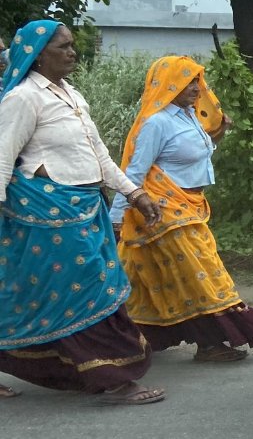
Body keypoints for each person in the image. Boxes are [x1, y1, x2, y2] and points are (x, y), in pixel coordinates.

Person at [0, 20, 166, 404]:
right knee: (87, 290)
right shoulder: (23, 98)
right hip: (47, 213)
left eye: (73, 45)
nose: (72, 52)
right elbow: (3, 157)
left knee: (42, 295)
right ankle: (113, 378)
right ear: (38, 55)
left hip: (87, 208)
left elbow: (99, 156)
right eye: (63, 47)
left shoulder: (71, 95)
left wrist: (135, 193)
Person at [110, 56, 253, 362]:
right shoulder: (157, 122)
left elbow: (196, 154)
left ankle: (130, 339)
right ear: (167, 84)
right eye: (187, 81)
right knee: (200, 274)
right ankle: (210, 343)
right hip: (163, 211)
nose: (196, 88)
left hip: (191, 206)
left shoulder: (189, 117)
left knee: (145, 276)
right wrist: (116, 217)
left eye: (197, 81)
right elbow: (134, 172)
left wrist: (220, 133)